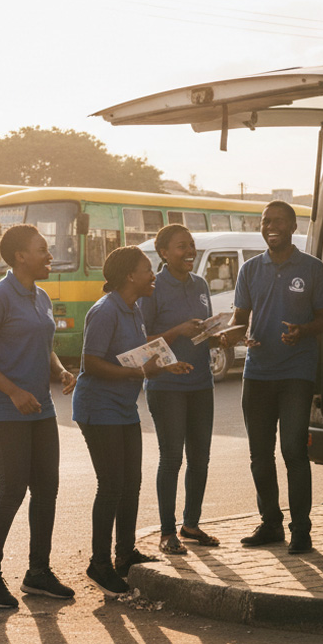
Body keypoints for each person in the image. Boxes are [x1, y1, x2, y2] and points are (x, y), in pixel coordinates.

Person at [0, 224, 78, 609]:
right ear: (20, 257)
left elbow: (44, 347)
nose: (50, 256)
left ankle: (38, 573)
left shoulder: (41, 295)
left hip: (40, 408)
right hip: (4, 409)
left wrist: (61, 371)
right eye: (43, 249)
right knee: (12, 489)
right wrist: (12, 392)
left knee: (46, 488)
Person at [72, 246, 193, 597]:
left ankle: (125, 555)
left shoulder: (133, 308)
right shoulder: (104, 311)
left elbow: (137, 351)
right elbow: (91, 364)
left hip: (123, 408)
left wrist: (164, 364)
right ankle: (99, 564)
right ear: (129, 276)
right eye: (147, 270)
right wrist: (141, 371)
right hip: (98, 408)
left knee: (131, 484)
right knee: (111, 485)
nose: (153, 275)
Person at [224, 201, 323, 554]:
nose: (270, 226)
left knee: (292, 450)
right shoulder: (250, 269)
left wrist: (302, 331)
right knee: (259, 454)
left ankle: (301, 528)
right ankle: (270, 524)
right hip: (258, 371)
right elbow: (240, 318)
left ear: (293, 226)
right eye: (265, 221)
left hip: (296, 372)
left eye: (278, 221)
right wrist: (236, 335)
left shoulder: (313, 268)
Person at [139, 224, 219, 555]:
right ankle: (167, 531)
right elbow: (142, 344)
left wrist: (217, 334)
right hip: (167, 384)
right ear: (163, 253)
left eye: (192, 245)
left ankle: (191, 524)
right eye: (181, 246)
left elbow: (203, 329)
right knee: (172, 457)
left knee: (200, 456)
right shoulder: (152, 289)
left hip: (201, 381)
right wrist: (178, 331)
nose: (190, 251)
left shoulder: (200, 283)